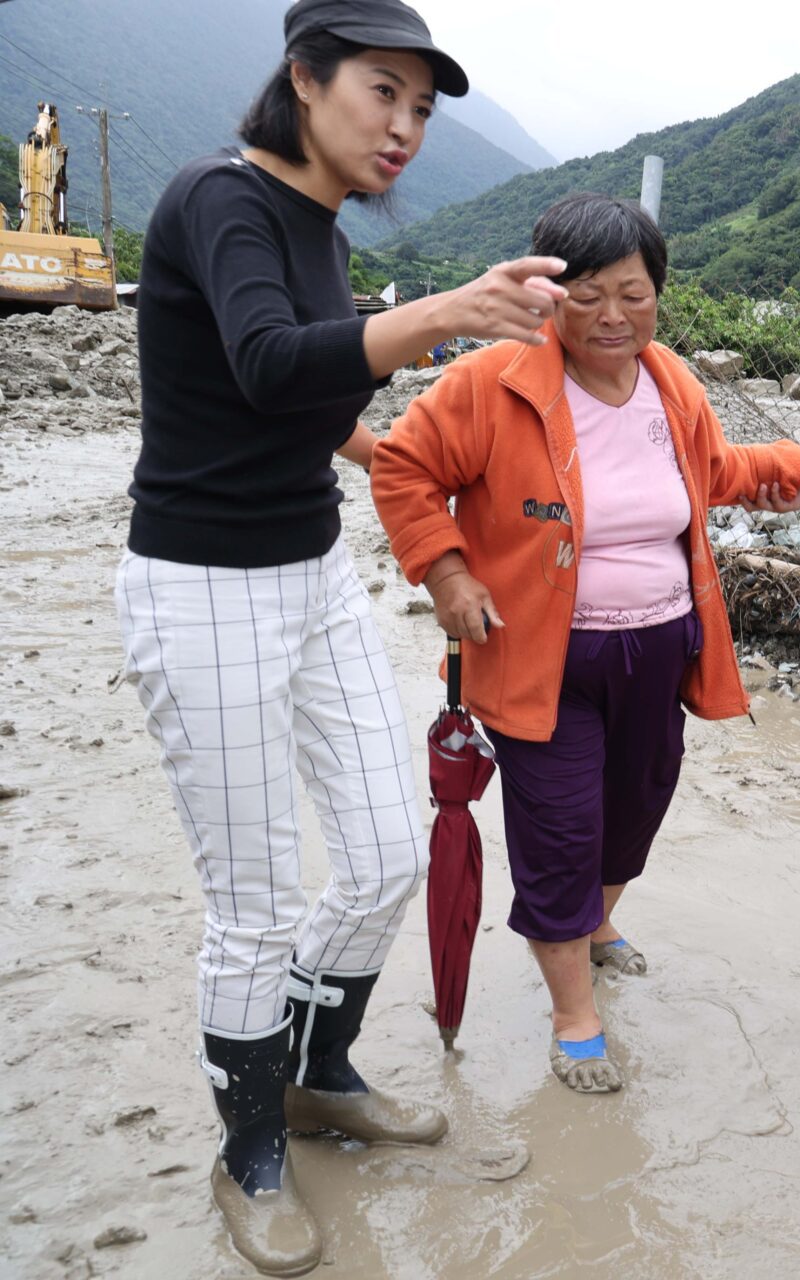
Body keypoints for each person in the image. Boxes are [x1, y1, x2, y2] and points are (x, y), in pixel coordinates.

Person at [114, 2, 578, 1273]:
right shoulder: (220, 198)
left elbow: (307, 392)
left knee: (384, 847)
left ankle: (319, 1070)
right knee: (255, 901)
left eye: (422, 108)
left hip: (310, 569)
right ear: (306, 80)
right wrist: (446, 314)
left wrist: (384, 454)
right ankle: (251, 1147)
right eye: (384, 91)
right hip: (202, 581)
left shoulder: (318, 228)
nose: (405, 126)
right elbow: (269, 361)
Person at [371, 193, 800, 1095]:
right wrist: (448, 574)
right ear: (545, 295)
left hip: (659, 650)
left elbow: (713, 472)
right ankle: (574, 1016)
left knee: (636, 807)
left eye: (633, 294)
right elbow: (403, 466)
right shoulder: (492, 382)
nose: (613, 317)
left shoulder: (672, 383)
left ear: (658, 293)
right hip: (539, 662)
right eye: (586, 296)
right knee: (560, 830)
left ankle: (595, 921)